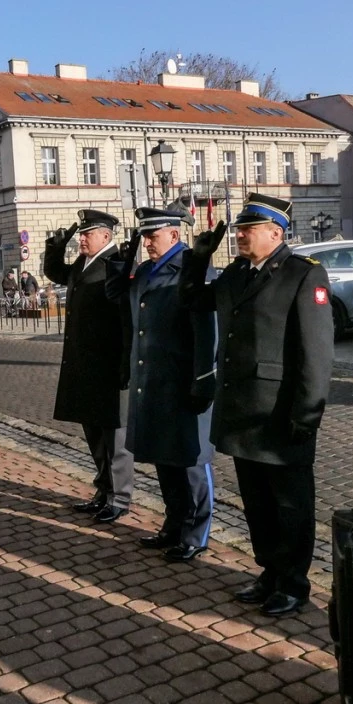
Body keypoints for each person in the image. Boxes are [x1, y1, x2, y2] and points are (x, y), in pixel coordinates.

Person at [180, 192, 334, 616]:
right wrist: (198, 256)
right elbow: (193, 300)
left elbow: (316, 355)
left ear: (275, 233)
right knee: (258, 503)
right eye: (240, 229)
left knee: (291, 505)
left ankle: (294, 582)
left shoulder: (303, 276)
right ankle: (269, 571)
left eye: (248, 229)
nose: (240, 235)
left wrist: (307, 415)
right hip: (244, 413)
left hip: (281, 415)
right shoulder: (236, 273)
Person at [106, 207, 216, 562]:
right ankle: (173, 524)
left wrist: (203, 377)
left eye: (153, 236)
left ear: (174, 234)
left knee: (191, 462)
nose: (148, 242)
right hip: (152, 380)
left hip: (182, 380)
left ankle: (196, 533)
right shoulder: (147, 270)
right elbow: (116, 298)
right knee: (164, 459)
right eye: (145, 236)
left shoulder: (191, 267)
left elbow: (206, 327)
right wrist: (119, 266)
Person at [44, 209, 133, 523]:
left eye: (87, 234)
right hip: (84, 367)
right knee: (94, 435)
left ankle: (120, 498)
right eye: (81, 233)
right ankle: (103, 491)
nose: (81, 239)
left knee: (115, 439)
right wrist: (56, 246)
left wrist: (126, 364)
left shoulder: (117, 265)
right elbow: (56, 272)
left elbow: (127, 320)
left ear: (105, 237)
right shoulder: (83, 264)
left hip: (109, 367)